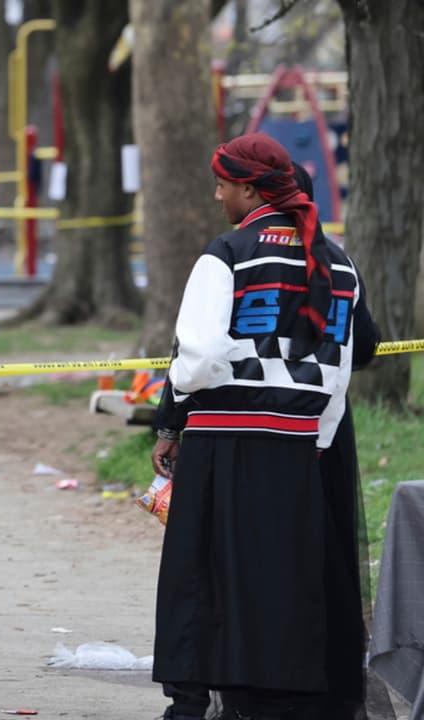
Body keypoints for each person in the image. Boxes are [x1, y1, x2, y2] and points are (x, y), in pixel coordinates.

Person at [149, 134, 371, 720]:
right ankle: (276, 697)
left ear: (249, 186)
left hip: (225, 436)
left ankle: (196, 699)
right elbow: (342, 362)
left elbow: (194, 359)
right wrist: (318, 435)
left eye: (223, 181)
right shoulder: (338, 259)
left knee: (203, 574)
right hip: (302, 441)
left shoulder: (226, 252)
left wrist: (178, 410)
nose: (217, 192)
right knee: (283, 571)